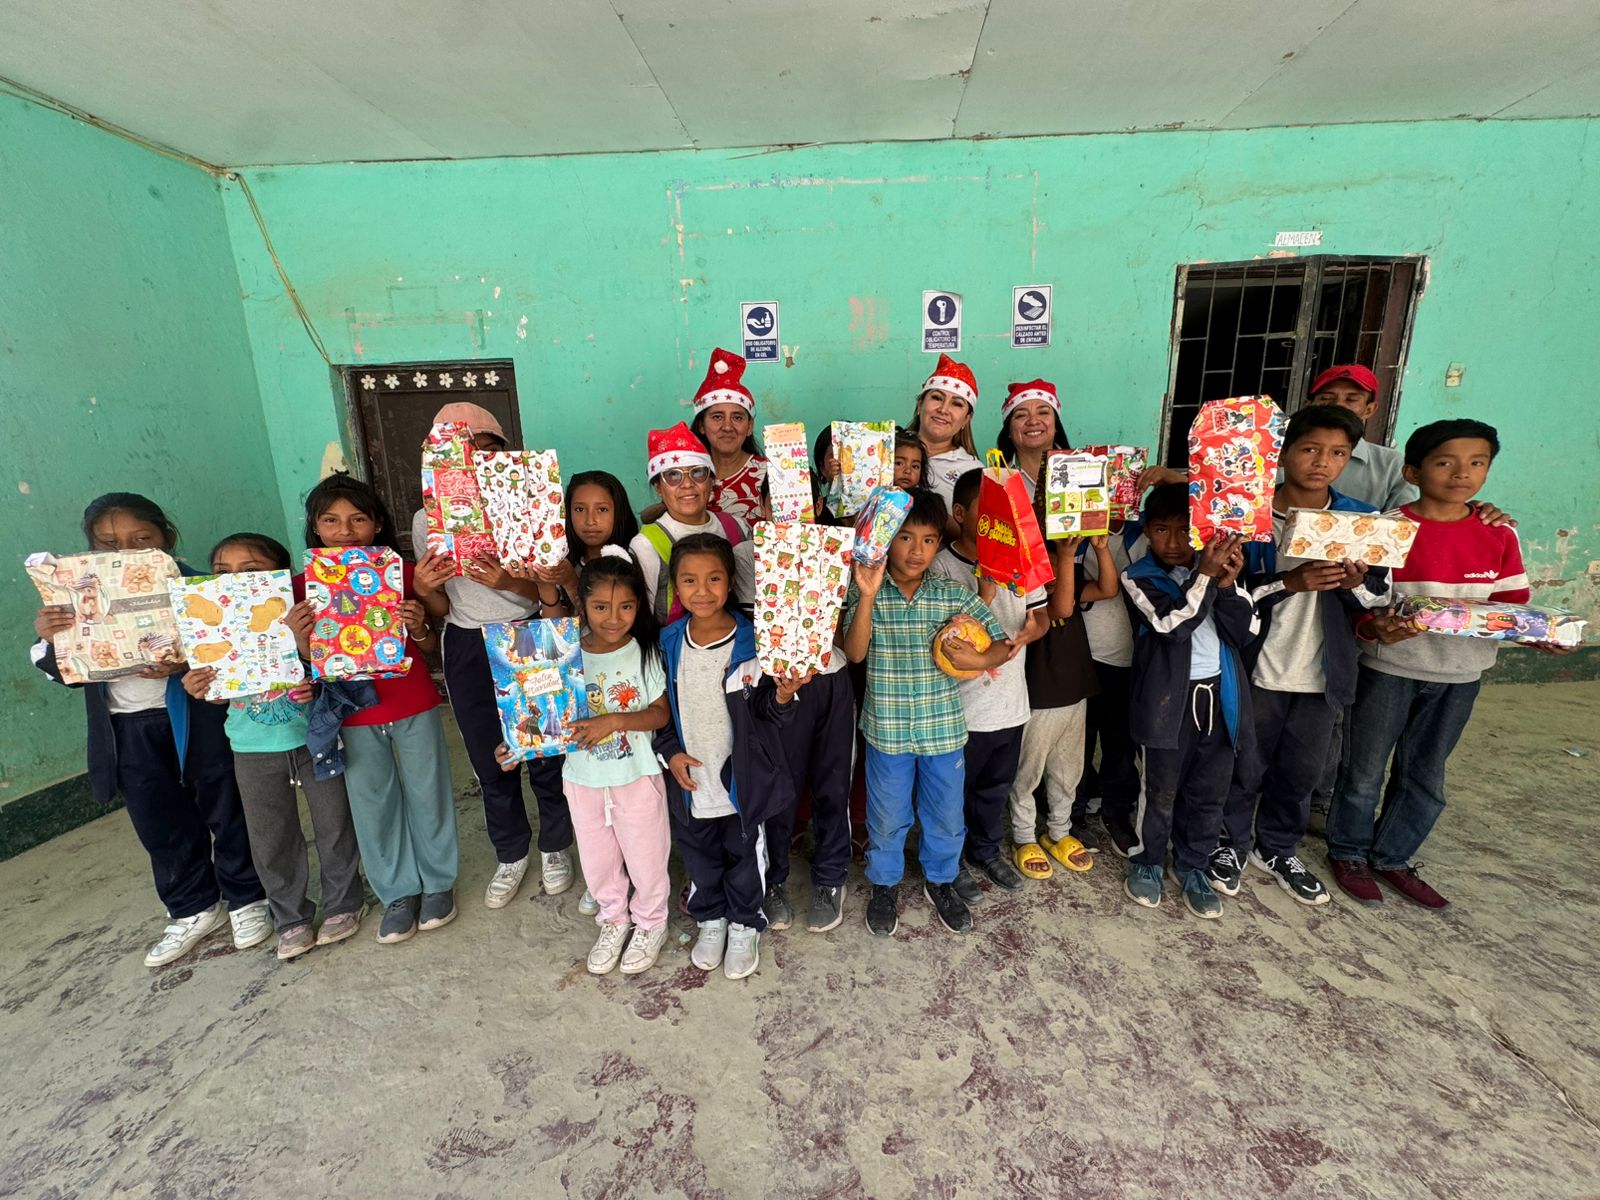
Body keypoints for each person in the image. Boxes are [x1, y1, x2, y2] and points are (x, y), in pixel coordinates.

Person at [30, 494, 268, 967]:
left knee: (226, 806)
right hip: (126, 727)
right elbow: (56, 668)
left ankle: (247, 898)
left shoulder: (198, 587)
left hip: (199, 718)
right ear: (91, 549)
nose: (127, 550)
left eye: (142, 539)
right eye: (109, 543)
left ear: (167, 540)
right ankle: (193, 907)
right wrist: (50, 635)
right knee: (159, 821)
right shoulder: (75, 597)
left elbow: (243, 649)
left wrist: (188, 659)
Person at [1326, 419, 1541, 909]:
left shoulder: (1499, 533)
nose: (1461, 473)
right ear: (1414, 471)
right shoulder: (1389, 529)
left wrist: (1538, 637)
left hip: (1461, 675)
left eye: (1477, 463)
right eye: (1445, 462)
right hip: (1390, 668)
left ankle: (1394, 857)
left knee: (1426, 773)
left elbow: (1512, 606)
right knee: (1363, 769)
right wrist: (1373, 627)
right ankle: (1350, 852)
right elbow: (1363, 603)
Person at [1212, 407, 1390, 906]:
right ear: (1284, 453)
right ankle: (1229, 842)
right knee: (1244, 761)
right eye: (1310, 449)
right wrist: (1289, 582)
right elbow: (1227, 589)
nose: (1322, 463)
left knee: (1300, 770)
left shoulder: (1360, 520)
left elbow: (1380, 596)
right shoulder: (1250, 516)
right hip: (1259, 665)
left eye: (1338, 454)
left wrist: (1356, 585)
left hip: (1322, 671)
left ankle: (1279, 847)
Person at [410, 403, 576, 912]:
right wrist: (423, 587)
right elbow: (441, 606)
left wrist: (510, 581)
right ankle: (511, 851)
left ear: (501, 454)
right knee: (489, 758)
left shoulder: (526, 503)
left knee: (546, 745)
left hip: (529, 631)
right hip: (465, 641)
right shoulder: (427, 518)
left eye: (484, 448)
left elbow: (554, 579)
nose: (472, 459)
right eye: (458, 452)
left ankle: (555, 846)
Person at [183, 533, 365, 959]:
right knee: (270, 836)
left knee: (334, 822)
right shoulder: (210, 625)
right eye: (223, 572)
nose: (236, 580)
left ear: (280, 575)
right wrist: (199, 688)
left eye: (252, 570)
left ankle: (344, 903)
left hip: (314, 737)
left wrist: (310, 671)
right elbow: (219, 693)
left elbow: (337, 667)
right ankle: (291, 917)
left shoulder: (304, 614)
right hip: (251, 746)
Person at [841, 489, 1012, 937]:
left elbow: (999, 643)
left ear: (939, 542)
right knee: (887, 815)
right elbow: (855, 654)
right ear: (887, 539)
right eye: (905, 538)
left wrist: (977, 661)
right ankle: (884, 884)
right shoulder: (864, 594)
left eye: (930, 540)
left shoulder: (952, 595)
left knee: (945, 814)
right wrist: (866, 596)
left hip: (943, 733)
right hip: (887, 733)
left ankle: (941, 880)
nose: (917, 551)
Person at [299, 473, 458, 944]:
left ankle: (439, 885)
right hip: (350, 712)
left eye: (357, 519)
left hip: (410, 700)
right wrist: (298, 640)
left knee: (429, 793)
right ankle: (397, 893)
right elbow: (299, 660)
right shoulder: (302, 585)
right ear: (315, 527)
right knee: (372, 804)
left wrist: (421, 614)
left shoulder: (401, 572)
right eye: (330, 520)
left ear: (378, 524)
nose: (344, 530)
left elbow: (433, 635)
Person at [499, 554, 674, 975]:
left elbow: (659, 714)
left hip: (637, 776)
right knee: (598, 861)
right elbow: (538, 710)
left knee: (647, 857)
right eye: (600, 607)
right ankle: (613, 919)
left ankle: (651, 922)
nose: (614, 618)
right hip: (583, 780)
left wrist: (613, 721)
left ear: (639, 607)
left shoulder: (643, 652)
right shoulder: (561, 655)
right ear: (582, 606)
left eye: (626, 607)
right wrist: (515, 746)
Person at [655, 535, 807, 979]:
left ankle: (744, 922)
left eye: (713, 579)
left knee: (744, 857)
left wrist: (781, 697)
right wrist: (670, 753)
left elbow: (765, 715)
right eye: (689, 580)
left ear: (731, 581)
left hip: (742, 782)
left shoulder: (753, 641)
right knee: (700, 856)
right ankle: (712, 918)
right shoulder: (668, 643)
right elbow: (659, 707)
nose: (702, 591)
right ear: (676, 587)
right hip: (690, 781)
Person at [1120, 484, 1259, 919]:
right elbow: (1169, 626)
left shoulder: (1221, 573)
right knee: (1159, 790)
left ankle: (1194, 865)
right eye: (1162, 530)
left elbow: (1247, 633)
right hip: (1166, 703)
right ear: (1146, 531)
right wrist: (1204, 577)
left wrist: (1229, 585)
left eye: (1186, 530)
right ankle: (1147, 861)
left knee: (1209, 791)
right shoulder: (1139, 575)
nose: (1175, 542)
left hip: (1220, 697)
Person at [929, 468, 1048, 898]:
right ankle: (952, 859)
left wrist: (1034, 630)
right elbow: (946, 640)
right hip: (961, 712)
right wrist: (985, 594)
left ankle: (986, 848)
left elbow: (1043, 615)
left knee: (995, 787)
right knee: (953, 795)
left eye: (1008, 517)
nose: (999, 527)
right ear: (960, 514)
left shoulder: (1023, 558)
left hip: (1011, 706)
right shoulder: (941, 565)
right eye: (987, 516)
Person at [746, 477, 856, 934]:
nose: (789, 508)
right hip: (778, 685)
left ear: (816, 504)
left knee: (833, 784)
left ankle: (830, 877)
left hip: (829, 680)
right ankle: (773, 882)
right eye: (778, 500)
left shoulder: (836, 548)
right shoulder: (745, 554)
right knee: (779, 787)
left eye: (801, 499)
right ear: (764, 504)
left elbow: (846, 620)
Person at [1008, 534, 1116, 879]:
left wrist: (1099, 548)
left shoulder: (1073, 584)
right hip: (1038, 702)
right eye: (1047, 568)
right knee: (1027, 774)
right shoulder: (1026, 599)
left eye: (1059, 567)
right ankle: (1023, 836)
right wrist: (1067, 557)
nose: (1054, 576)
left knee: (1068, 773)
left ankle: (1059, 831)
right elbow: (1061, 607)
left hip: (1076, 698)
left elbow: (1109, 589)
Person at [630, 423, 755, 622]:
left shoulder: (737, 528)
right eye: (673, 476)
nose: (687, 484)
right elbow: (643, 618)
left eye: (697, 472)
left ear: (711, 480)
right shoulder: (646, 545)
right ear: (658, 488)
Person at [1306, 365, 1415, 511]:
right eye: (1326, 398)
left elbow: (1401, 527)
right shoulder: (1276, 456)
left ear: (1369, 409)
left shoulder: (1392, 465)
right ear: (1307, 405)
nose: (1338, 405)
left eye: (1351, 399)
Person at [692, 348, 767, 524]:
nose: (727, 427)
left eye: (737, 417)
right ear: (702, 425)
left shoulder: (772, 475)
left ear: (749, 427)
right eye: (717, 417)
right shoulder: (689, 477)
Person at [907, 354, 982, 514]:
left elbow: (973, 532)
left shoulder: (975, 472)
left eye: (956, 404)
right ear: (920, 404)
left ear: (966, 419)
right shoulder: (886, 447)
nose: (943, 409)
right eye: (937, 398)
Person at [996, 379, 1072, 494]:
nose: (1033, 421)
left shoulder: (1081, 469)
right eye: (1021, 415)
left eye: (1043, 413)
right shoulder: (996, 480)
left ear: (1056, 425)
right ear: (1009, 431)